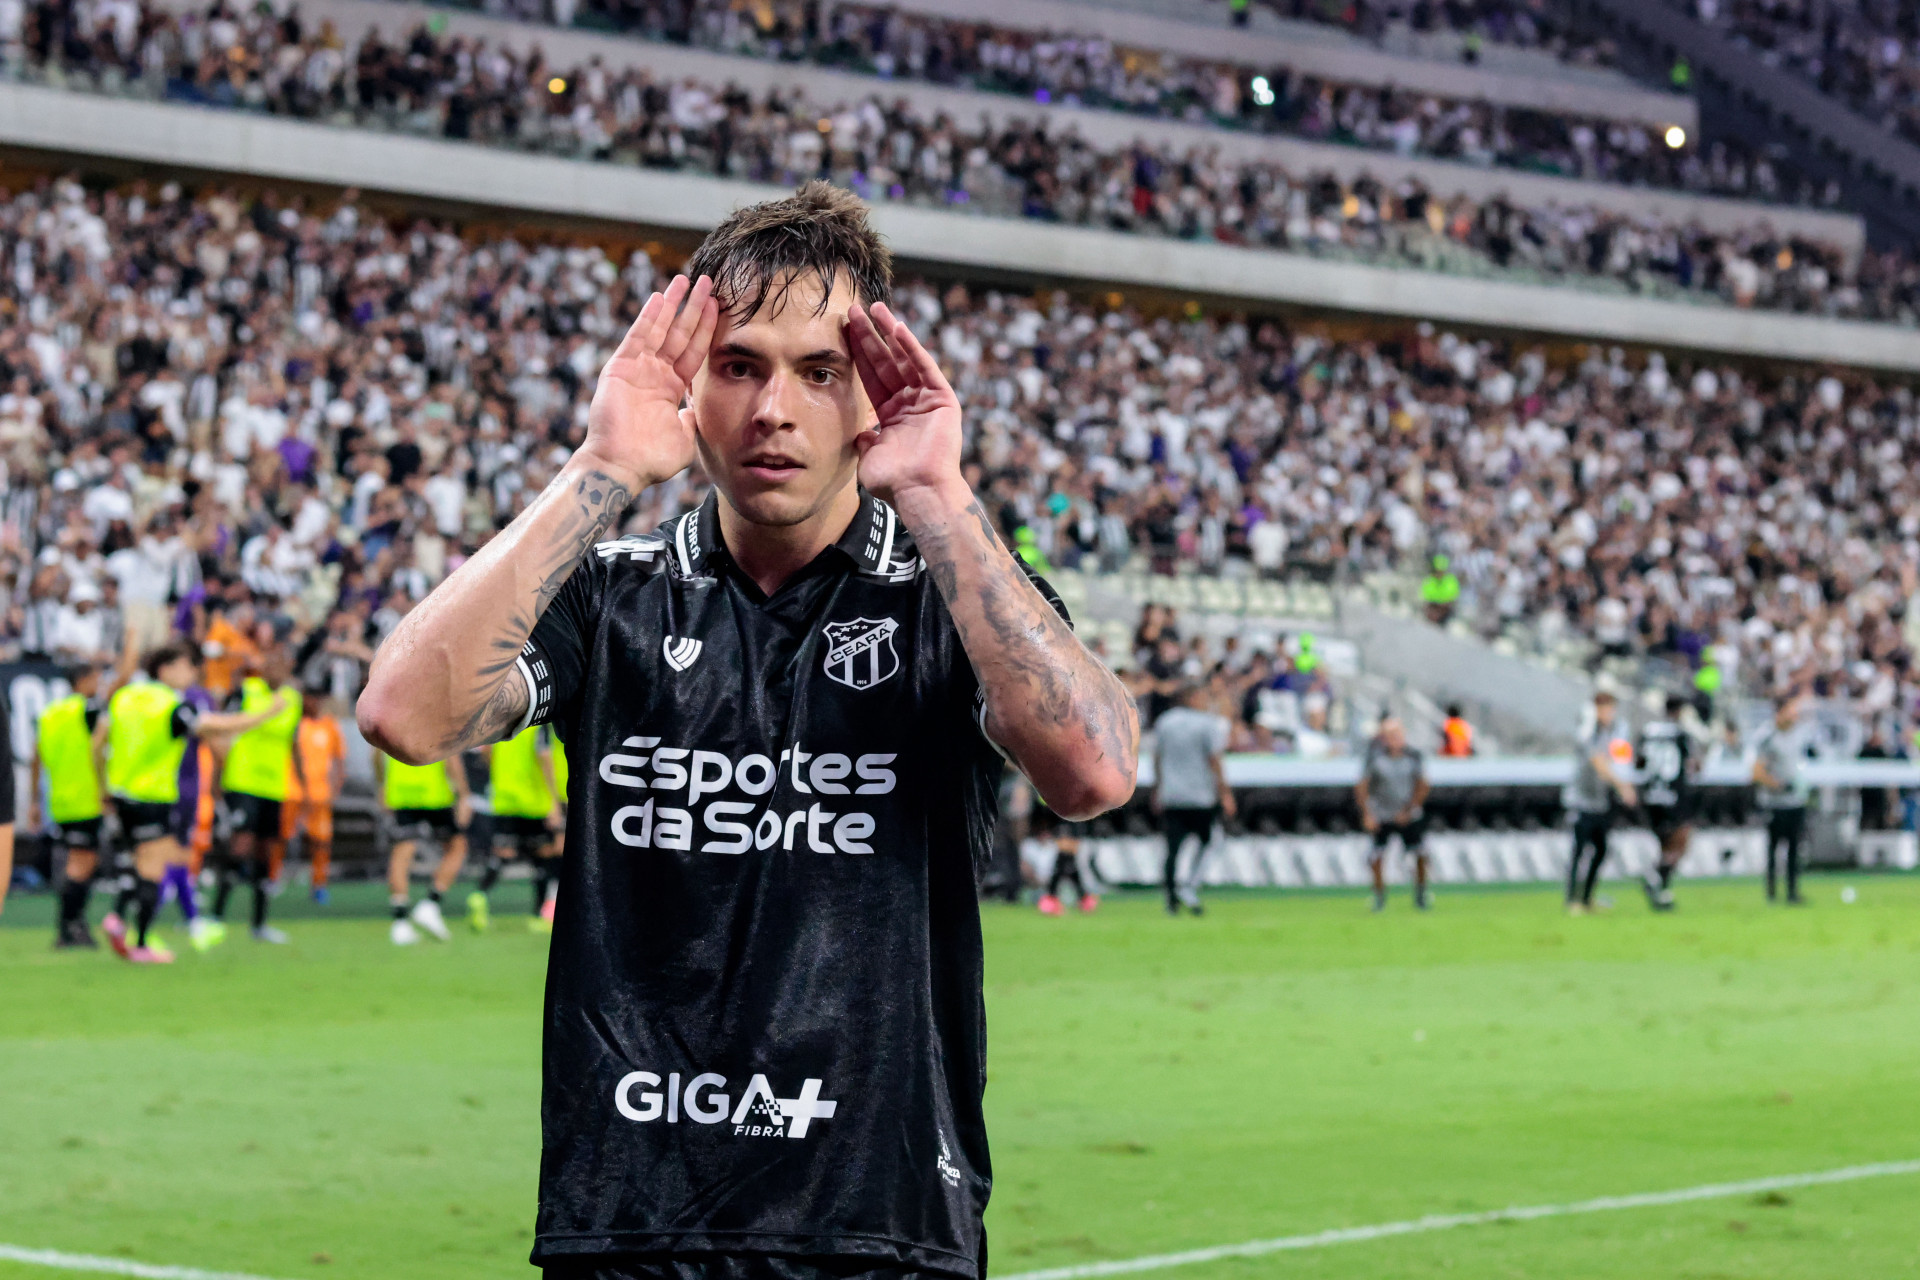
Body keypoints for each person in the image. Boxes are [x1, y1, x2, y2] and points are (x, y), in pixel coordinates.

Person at [356, 183, 1137, 1279]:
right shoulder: (611, 596)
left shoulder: (947, 596)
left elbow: (1094, 770)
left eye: (821, 371)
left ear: (872, 396)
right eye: (740, 365)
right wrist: (601, 469)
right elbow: (401, 712)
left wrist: (938, 493)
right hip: (631, 1219)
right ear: (694, 388)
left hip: (882, 1223)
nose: (775, 407)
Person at [99, 645, 283, 962]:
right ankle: (139, 940)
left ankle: (124, 919)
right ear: (165, 668)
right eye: (187, 665)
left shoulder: (124, 697)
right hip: (154, 796)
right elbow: (214, 727)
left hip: (120, 794)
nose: (192, 672)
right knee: (154, 867)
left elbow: (98, 741)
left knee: (147, 860)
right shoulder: (170, 704)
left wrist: (103, 784)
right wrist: (265, 715)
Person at [211, 648, 303, 944]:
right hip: (243, 781)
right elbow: (221, 731)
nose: (277, 669)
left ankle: (259, 924)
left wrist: (302, 781)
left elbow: (293, 741)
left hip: (274, 786)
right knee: (240, 846)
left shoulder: (292, 699)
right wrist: (217, 776)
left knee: (266, 854)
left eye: (283, 663)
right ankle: (215, 917)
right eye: (271, 663)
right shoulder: (246, 691)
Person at [31, 664, 108, 948]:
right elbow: (98, 750)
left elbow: (35, 756)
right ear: (83, 680)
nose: (98, 686)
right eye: (96, 680)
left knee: (79, 863)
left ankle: (73, 926)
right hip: (85, 799)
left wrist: (34, 802)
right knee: (81, 865)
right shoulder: (85, 710)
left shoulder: (51, 713)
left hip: (59, 800)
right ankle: (69, 929)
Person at [1153, 682, 1233, 916]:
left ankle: (1171, 900)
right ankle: (1189, 886)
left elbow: (1158, 758)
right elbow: (1214, 760)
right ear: (1192, 698)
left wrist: (1159, 788)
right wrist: (1225, 793)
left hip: (1172, 795)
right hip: (1200, 796)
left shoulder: (1164, 722)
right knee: (1211, 841)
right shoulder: (1207, 724)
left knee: (1172, 850)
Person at [477, 723, 567, 932]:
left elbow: (486, 753)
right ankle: (540, 913)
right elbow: (545, 759)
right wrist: (553, 800)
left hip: (504, 800)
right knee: (545, 854)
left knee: (504, 853)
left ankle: (480, 894)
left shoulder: (502, 724)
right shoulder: (539, 728)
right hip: (533, 801)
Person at [378, 752, 473, 945]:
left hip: (401, 791)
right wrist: (464, 794)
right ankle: (431, 902)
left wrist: (382, 785)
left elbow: (376, 754)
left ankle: (400, 923)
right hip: (434, 792)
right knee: (457, 846)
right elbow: (450, 754)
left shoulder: (389, 719)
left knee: (401, 855)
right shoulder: (437, 719)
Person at [1565, 690, 1636, 915]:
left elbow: (1621, 760)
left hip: (1602, 800)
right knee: (1579, 850)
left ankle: (1587, 898)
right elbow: (1598, 762)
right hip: (1582, 799)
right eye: (1604, 708)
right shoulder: (1587, 731)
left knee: (1601, 849)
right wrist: (1623, 786)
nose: (1608, 713)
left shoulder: (1616, 731)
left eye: (1610, 708)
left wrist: (1625, 780)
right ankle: (1572, 900)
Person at [1356, 716, 1432, 911]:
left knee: (1420, 854)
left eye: (1396, 734)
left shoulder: (1413, 756)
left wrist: (1409, 810)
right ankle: (1378, 895)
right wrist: (1368, 814)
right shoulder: (1374, 757)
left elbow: (1423, 785)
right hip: (1382, 813)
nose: (1393, 739)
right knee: (1376, 856)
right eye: (1389, 735)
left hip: (1408, 814)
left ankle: (1421, 893)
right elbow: (1362, 786)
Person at [284, 681, 347, 903]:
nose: (315, 702)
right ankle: (272, 880)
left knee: (321, 842)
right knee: (280, 838)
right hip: (291, 791)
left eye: (318, 698)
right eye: (311, 697)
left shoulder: (329, 726)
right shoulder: (293, 723)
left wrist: (335, 786)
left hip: (319, 795)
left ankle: (319, 884)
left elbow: (339, 759)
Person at [1636, 694, 1697, 911]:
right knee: (1681, 842)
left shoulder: (1647, 732)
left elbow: (1638, 763)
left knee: (1664, 845)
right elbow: (1693, 765)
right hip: (1674, 796)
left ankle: (1661, 892)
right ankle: (1654, 877)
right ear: (1679, 711)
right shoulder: (1681, 735)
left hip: (1651, 797)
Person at [1752, 696, 1811, 905]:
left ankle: (1793, 893)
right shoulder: (1767, 736)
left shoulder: (1799, 734)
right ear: (1780, 711)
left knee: (1795, 849)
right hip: (1774, 803)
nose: (1795, 715)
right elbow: (1756, 772)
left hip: (1796, 801)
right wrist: (1778, 785)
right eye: (1791, 710)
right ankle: (1771, 893)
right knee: (1774, 849)